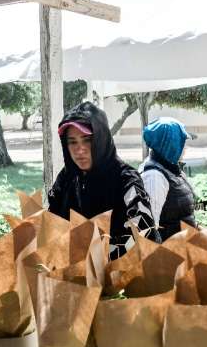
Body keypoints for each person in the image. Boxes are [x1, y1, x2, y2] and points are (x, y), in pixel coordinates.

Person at [48, 102, 160, 254]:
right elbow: (51, 221)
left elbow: (143, 230)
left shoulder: (126, 179)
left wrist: (104, 256)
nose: (79, 149)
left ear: (101, 139)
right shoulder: (68, 177)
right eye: (72, 142)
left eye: (87, 140)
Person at [139, 117, 197, 240]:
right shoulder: (153, 176)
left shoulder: (171, 169)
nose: (185, 147)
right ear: (171, 143)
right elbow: (148, 228)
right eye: (182, 142)